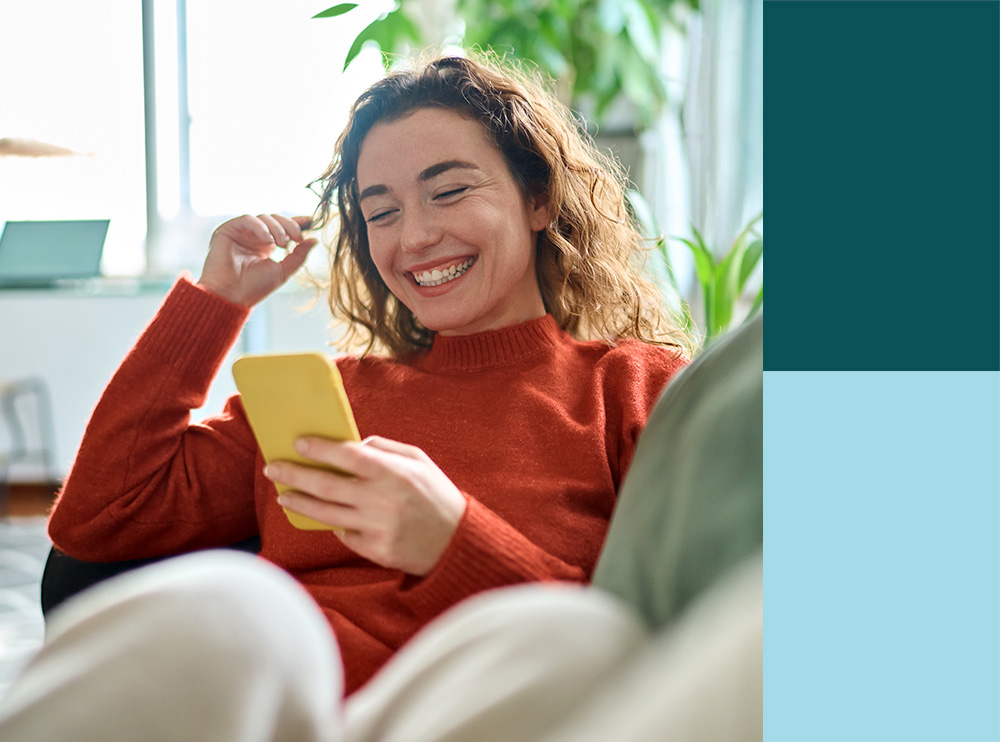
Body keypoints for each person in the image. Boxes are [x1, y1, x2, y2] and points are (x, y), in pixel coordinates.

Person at [2, 51, 691, 733]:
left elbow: (654, 646)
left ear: (537, 197)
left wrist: (451, 543)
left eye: (448, 191)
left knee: (587, 641)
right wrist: (213, 304)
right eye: (380, 212)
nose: (415, 236)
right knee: (238, 604)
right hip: (292, 710)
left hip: (481, 709)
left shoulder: (634, 389)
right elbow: (95, 521)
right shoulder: (327, 397)